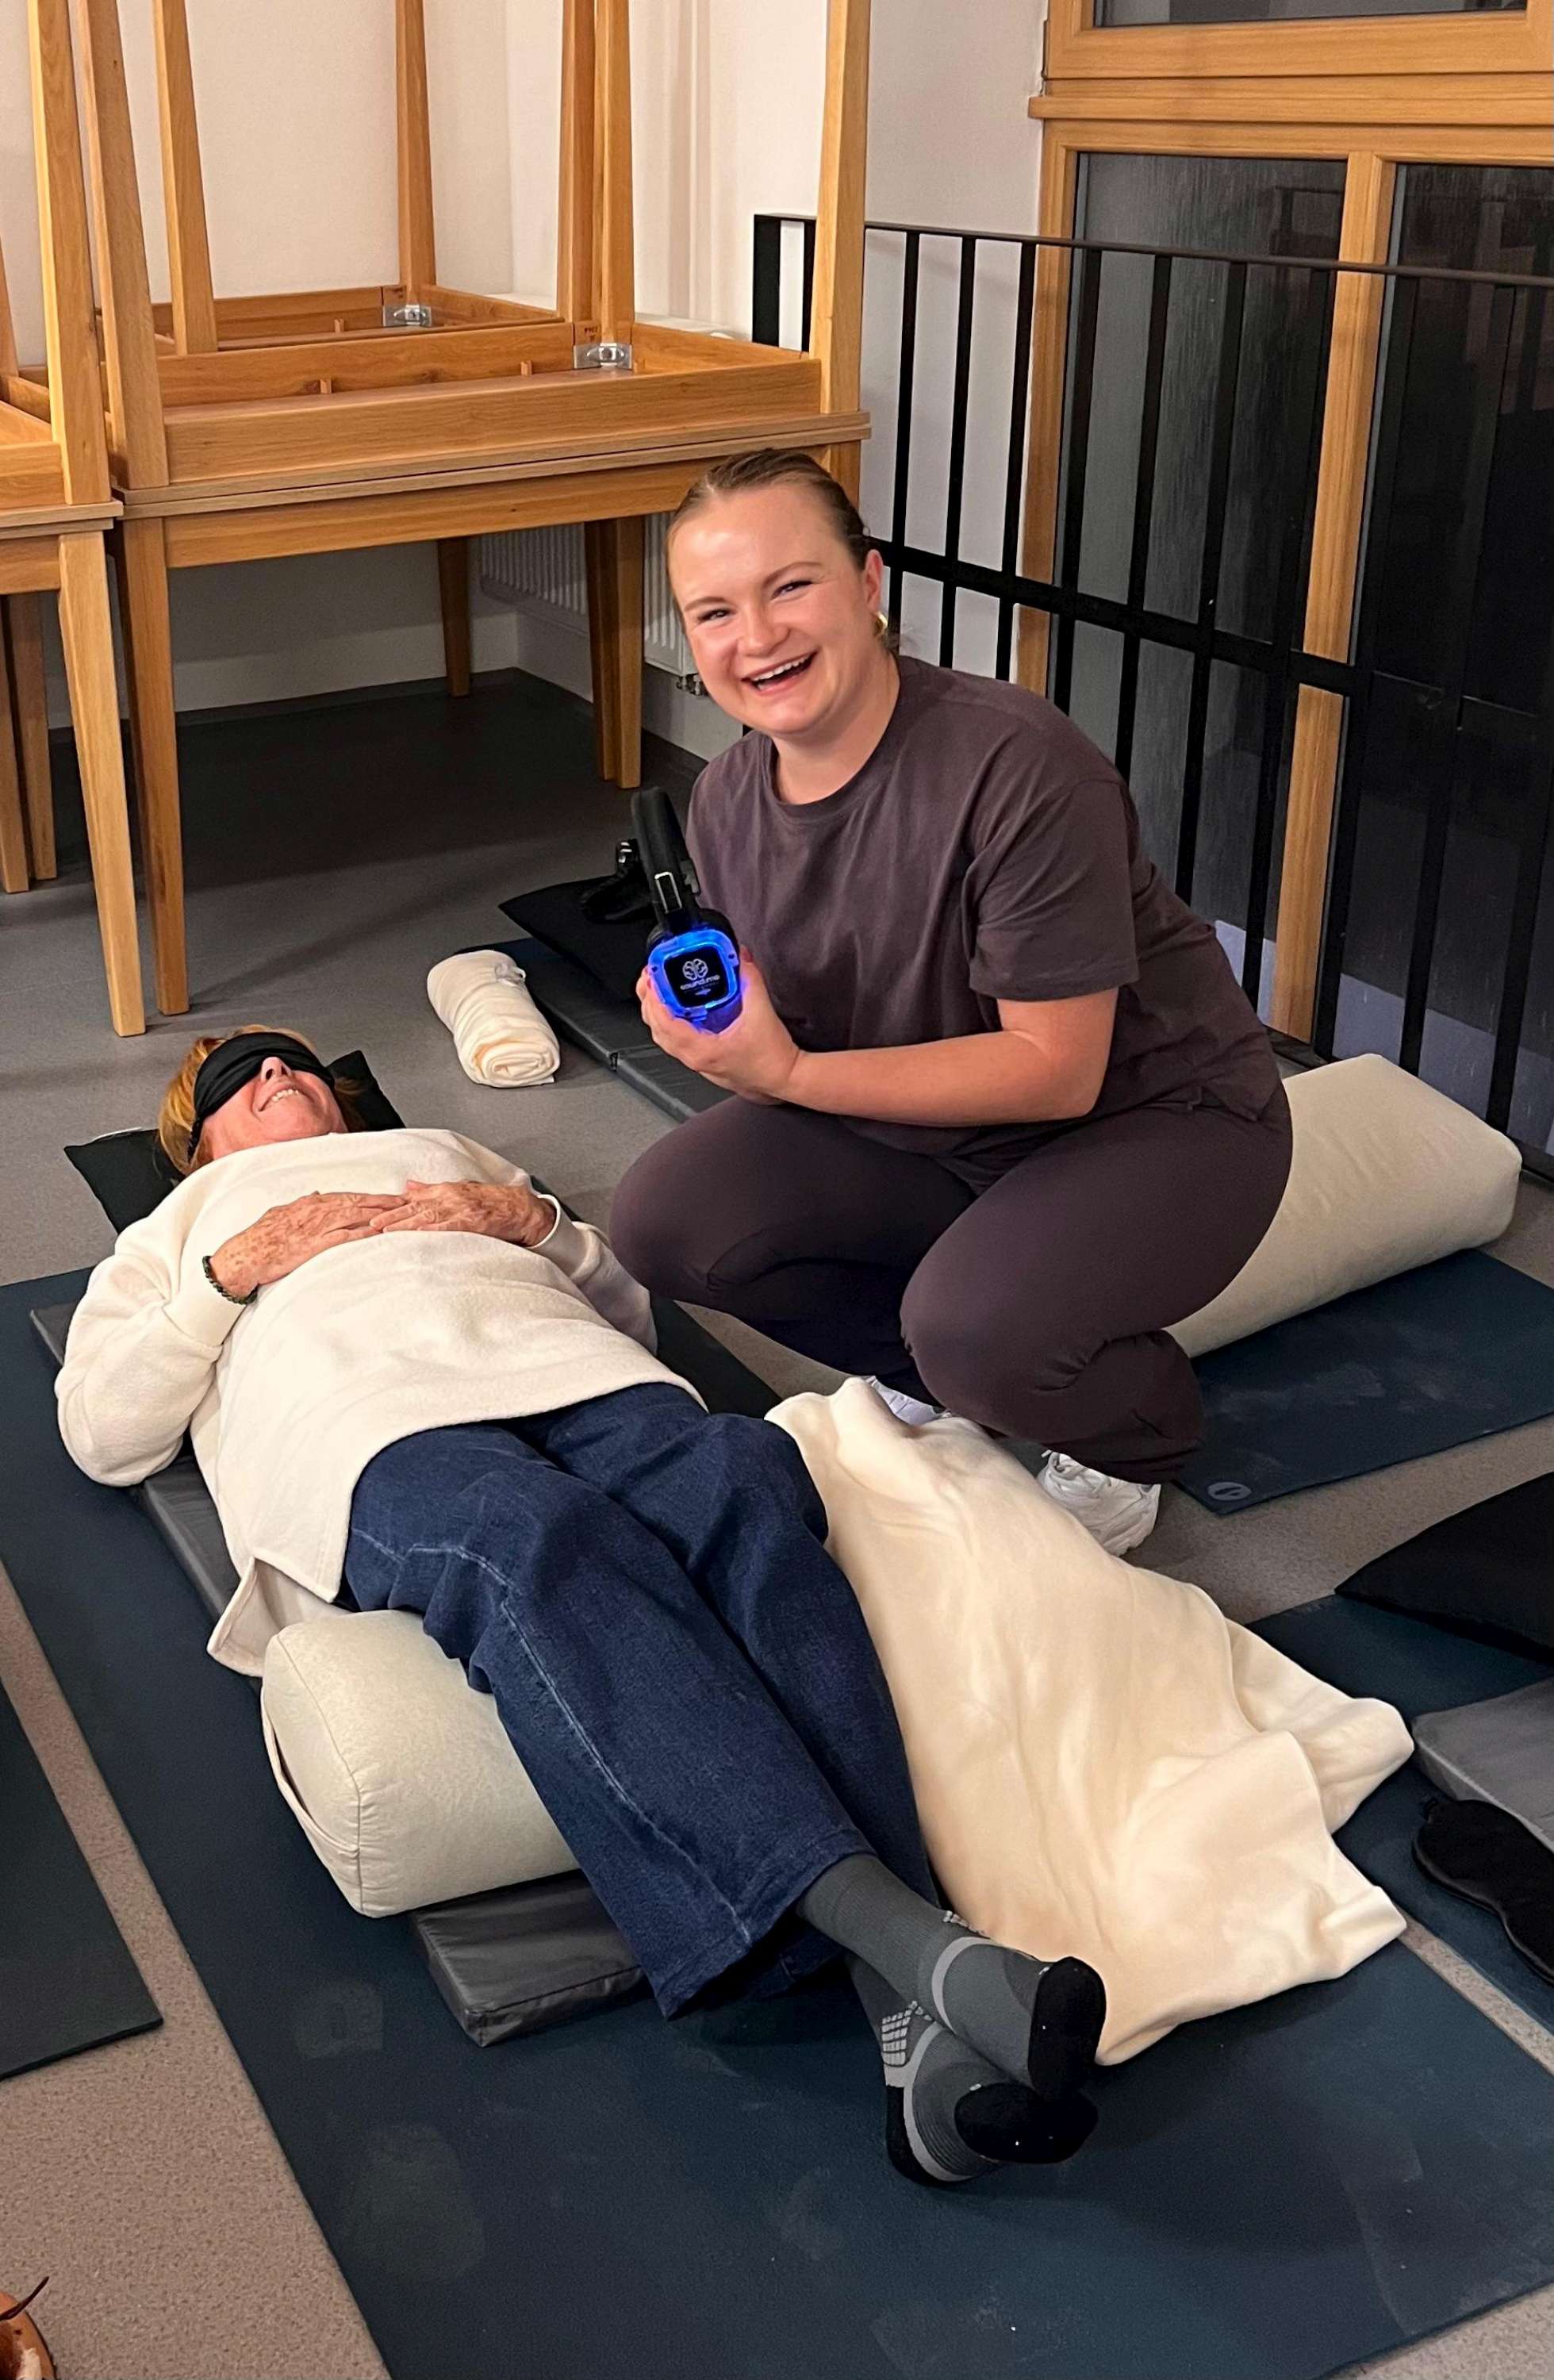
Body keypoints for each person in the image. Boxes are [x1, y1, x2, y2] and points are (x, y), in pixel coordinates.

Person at [57, 1026, 1107, 2188]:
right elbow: (102, 1432)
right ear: (194, 1142)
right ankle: (916, 1946)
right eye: (237, 1076)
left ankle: (914, 2011)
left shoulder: (442, 1149)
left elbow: (627, 1311)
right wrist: (229, 1273)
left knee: (743, 1479)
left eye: (291, 1060)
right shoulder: (176, 1232)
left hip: (585, 1377)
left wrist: (536, 1225)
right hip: (367, 1425)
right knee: (535, 1537)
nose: (275, 1073)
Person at [611, 451, 1295, 1557]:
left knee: (977, 1329)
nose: (759, 637)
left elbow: (1054, 1071)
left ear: (868, 583)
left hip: (1154, 1119)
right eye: (715, 612)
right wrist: (725, 1037)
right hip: (937, 1124)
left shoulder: (1019, 765)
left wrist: (789, 1074)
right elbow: (807, 1014)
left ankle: (1135, 1429)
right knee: (665, 1221)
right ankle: (948, 1372)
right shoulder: (728, 800)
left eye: (792, 586)